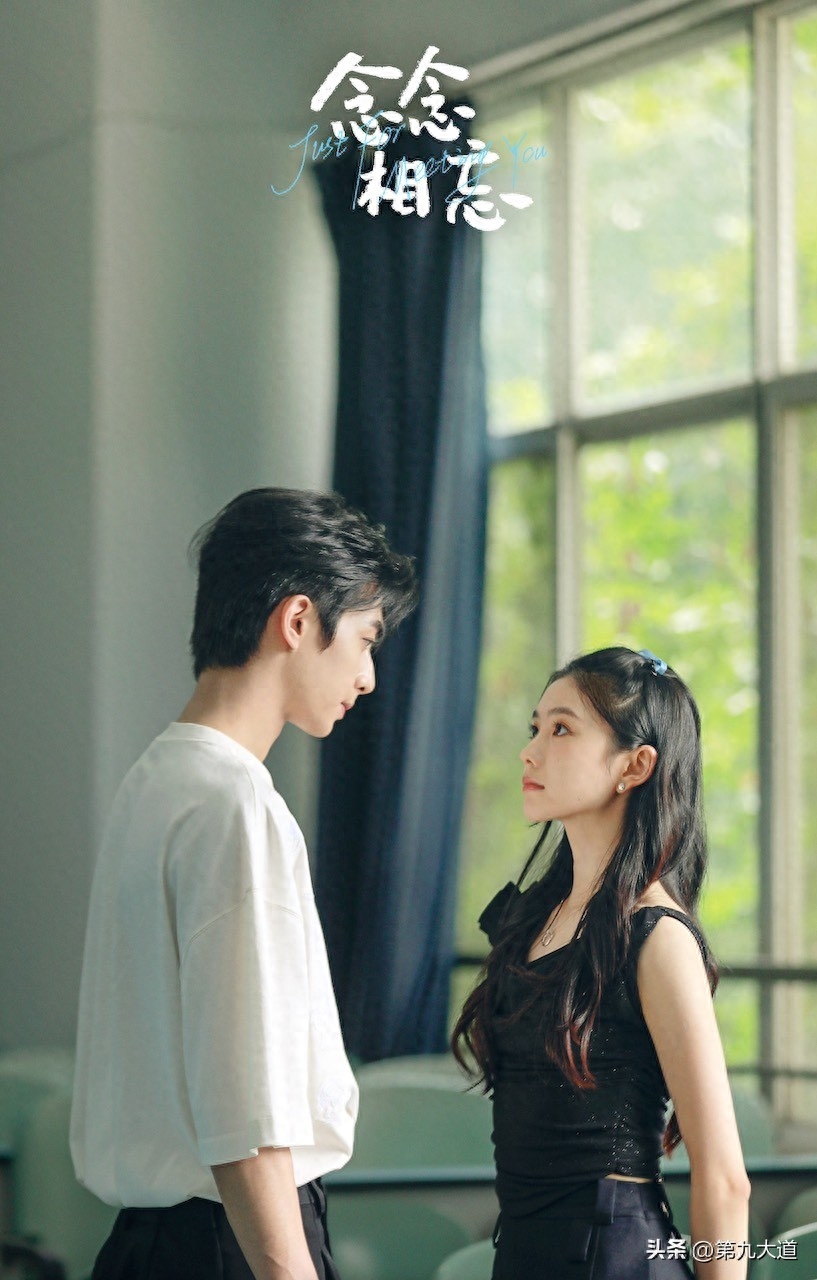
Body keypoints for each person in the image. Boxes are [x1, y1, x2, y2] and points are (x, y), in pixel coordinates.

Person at [71, 488, 418, 1280]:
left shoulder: (154, 781)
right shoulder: (235, 804)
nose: (367, 677)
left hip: (148, 1244)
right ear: (296, 620)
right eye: (365, 640)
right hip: (230, 1244)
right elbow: (246, 1115)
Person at [453, 646, 751, 1279]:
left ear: (635, 765)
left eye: (562, 730)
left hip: (617, 1258)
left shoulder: (658, 936)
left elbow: (725, 1180)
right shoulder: (535, 918)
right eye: (535, 728)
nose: (530, 751)